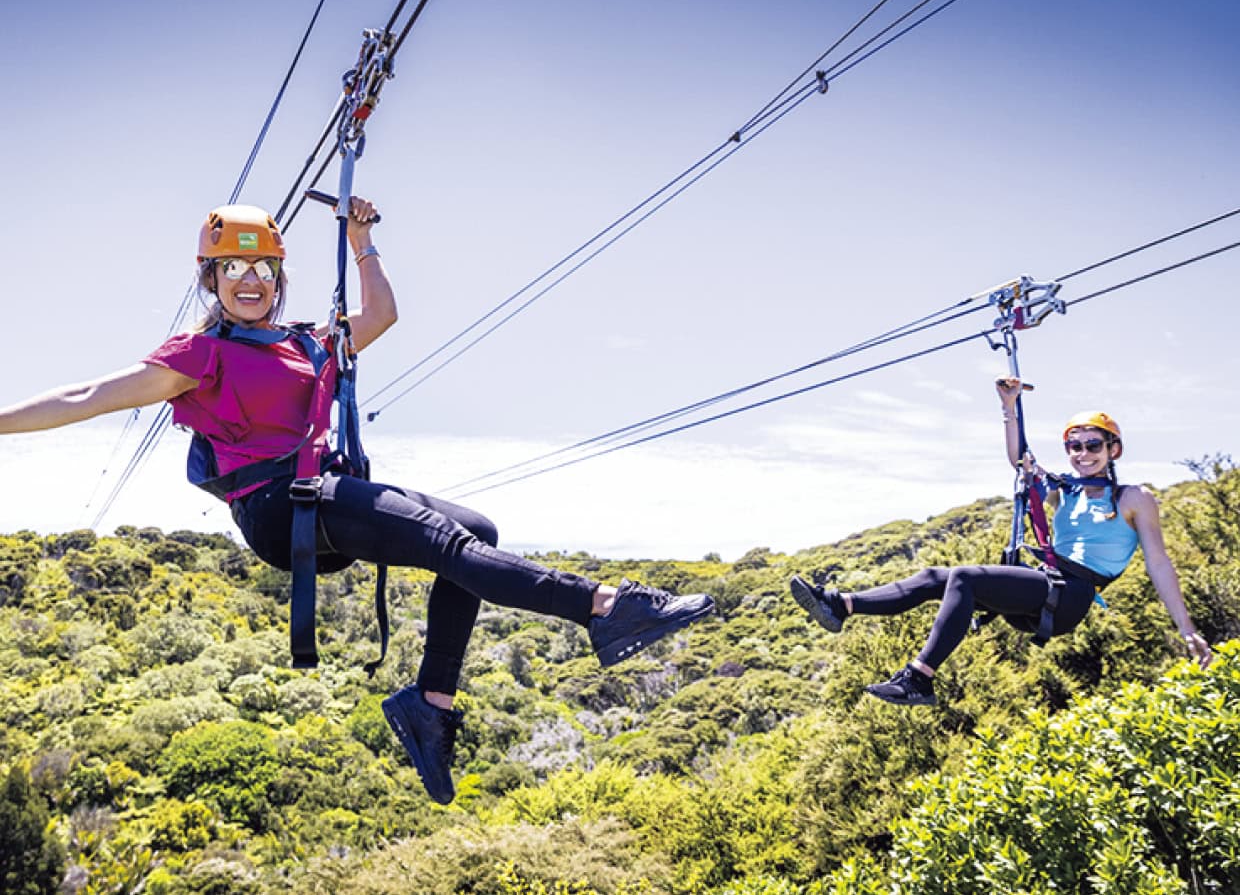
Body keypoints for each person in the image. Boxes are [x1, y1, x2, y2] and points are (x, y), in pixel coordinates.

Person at [0, 200, 715, 803]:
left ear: (279, 277)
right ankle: (604, 605)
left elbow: (381, 315)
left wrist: (362, 244)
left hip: (321, 492)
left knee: (476, 529)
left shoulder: (308, 343)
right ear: (210, 279)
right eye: (233, 269)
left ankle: (430, 705)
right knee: (448, 544)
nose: (249, 281)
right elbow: (86, 395)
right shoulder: (199, 354)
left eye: (263, 268)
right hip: (281, 506)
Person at [789, 377, 1212, 707]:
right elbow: (1021, 462)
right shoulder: (1063, 489)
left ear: (1113, 449)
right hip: (1045, 582)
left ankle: (919, 678)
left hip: (1070, 596)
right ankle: (841, 605)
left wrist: (1186, 628)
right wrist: (1008, 408)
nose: (1083, 453)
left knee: (965, 579)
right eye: (1074, 446)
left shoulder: (1134, 498)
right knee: (939, 576)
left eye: (1093, 445)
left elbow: (1158, 563)